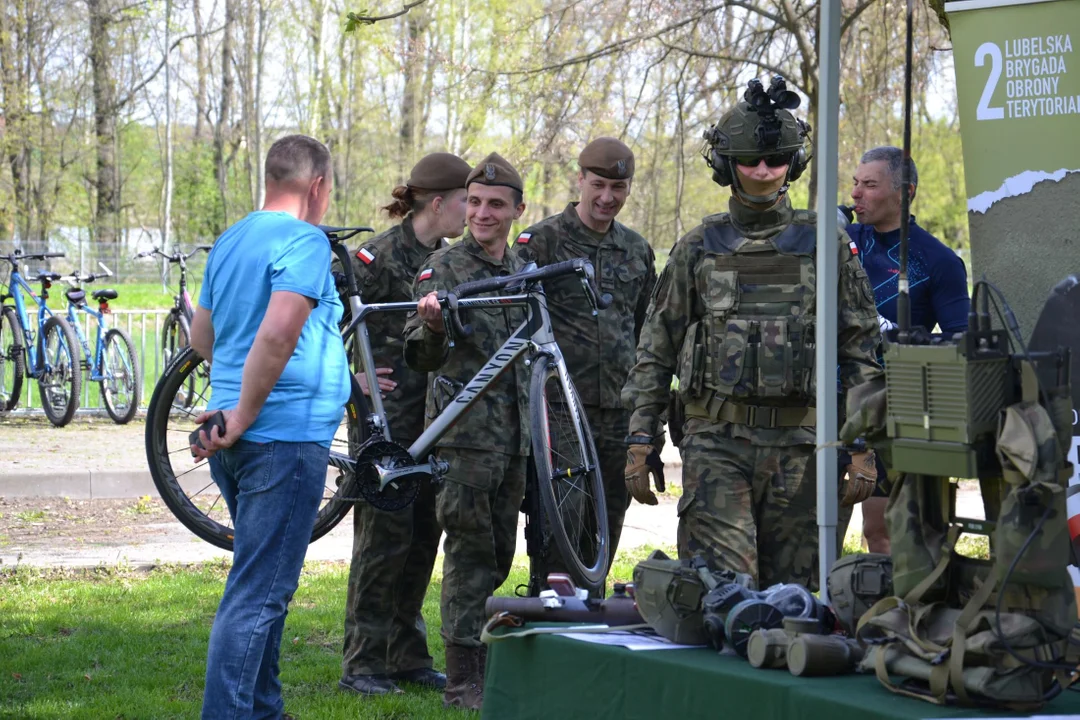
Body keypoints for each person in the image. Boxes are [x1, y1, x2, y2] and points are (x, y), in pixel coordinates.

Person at [621, 77, 884, 590]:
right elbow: (657, 346)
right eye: (750, 159)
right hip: (717, 443)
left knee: (796, 600)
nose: (763, 171)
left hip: (804, 448)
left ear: (794, 163)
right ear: (726, 164)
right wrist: (640, 437)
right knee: (724, 594)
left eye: (776, 159)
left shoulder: (825, 245)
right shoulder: (697, 247)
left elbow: (859, 349)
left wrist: (863, 445)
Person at [188, 134, 350, 719]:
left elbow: (201, 340)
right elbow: (281, 331)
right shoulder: (304, 240)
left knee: (262, 584)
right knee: (259, 594)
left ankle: (263, 711)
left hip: (239, 435)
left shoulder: (232, 240)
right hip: (279, 436)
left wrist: (236, 404)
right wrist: (251, 411)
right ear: (317, 187)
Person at [337, 152, 472, 697]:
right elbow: (318, 318)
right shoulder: (375, 257)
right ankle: (363, 663)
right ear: (438, 203)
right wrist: (353, 379)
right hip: (383, 425)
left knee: (422, 534)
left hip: (430, 418)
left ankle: (406, 653)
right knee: (382, 540)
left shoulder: (442, 260)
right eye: (465, 201)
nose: (470, 211)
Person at [402, 152, 529, 711]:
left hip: (514, 439)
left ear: (517, 211)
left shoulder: (525, 272)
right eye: (474, 202)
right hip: (464, 439)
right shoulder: (445, 269)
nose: (481, 213)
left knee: (500, 553)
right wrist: (431, 326)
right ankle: (461, 681)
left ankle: (484, 661)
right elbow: (417, 352)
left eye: (495, 205)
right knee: (469, 556)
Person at [511, 137, 656, 589]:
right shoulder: (541, 242)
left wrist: (648, 420)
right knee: (559, 531)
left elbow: (647, 333)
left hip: (617, 414)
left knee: (607, 524)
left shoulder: (636, 249)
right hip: (557, 412)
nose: (607, 197)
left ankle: (588, 626)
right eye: (598, 185)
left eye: (618, 187)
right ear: (580, 180)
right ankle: (552, 624)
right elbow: (515, 328)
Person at [847, 146, 971, 555]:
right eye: (855, 183)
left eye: (869, 185)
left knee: (880, 531)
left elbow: (960, 341)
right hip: (820, 404)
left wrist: (897, 335)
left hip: (888, 410)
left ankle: (890, 614)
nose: (856, 195)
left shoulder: (938, 261)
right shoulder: (841, 242)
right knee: (813, 530)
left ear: (905, 192)